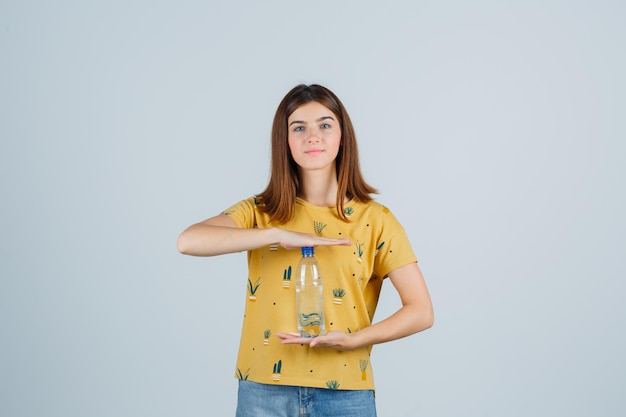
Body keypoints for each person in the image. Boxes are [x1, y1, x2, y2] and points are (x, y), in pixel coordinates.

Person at [177, 84, 434, 417]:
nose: (313, 136)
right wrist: (278, 234)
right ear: (284, 141)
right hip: (263, 390)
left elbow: (421, 311)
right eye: (299, 127)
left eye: (325, 125)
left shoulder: (376, 220)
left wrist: (355, 340)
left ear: (343, 137)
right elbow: (189, 241)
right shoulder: (259, 211)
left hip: (345, 392)